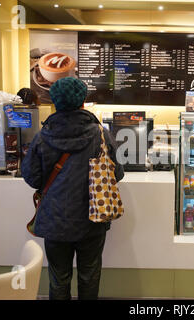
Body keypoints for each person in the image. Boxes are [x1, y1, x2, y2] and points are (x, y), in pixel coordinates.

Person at [21, 77, 124, 300]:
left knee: (59, 278)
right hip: (93, 218)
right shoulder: (100, 134)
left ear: (55, 102)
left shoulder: (43, 137)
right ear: (83, 102)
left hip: (55, 220)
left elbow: (31, 177)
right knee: (89, 275)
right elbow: (117, 174)